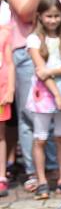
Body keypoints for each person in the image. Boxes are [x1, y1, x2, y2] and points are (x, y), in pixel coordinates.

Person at [7, 0, 61, 191]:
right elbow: (26, 13)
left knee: (55, 112)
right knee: (31, 115)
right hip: (27, 53)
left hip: (55, 51)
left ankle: (52, 167)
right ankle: (33, 170)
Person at [25, 0, 61, 199]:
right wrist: (56, 93)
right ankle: (42, 180)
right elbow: (40, 70)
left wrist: (52, 71)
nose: (53, 20)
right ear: (40, 16)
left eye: (56, 16)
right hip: (44, 95)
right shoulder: (34, 39)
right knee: (41, 137)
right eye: (49, 16)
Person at [0, 24, 14, 197]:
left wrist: (10, 89)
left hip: (1, 92)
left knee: (0, 135)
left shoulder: (4, 33)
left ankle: (1, 175)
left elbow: (10, 63)